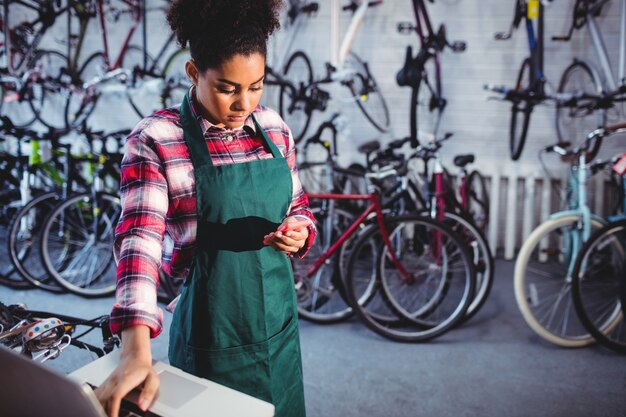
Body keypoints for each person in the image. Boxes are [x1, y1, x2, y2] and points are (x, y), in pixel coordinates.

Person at [95, 1, 316, 416]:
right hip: (211, 335)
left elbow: (298, 203)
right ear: (195, 73)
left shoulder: (274, 129)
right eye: (227, 88)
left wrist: (299, 229)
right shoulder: (159, 138)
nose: (243, 104)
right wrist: (134, 349)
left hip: (278, 330)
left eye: (256, 86)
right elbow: (138, 240)